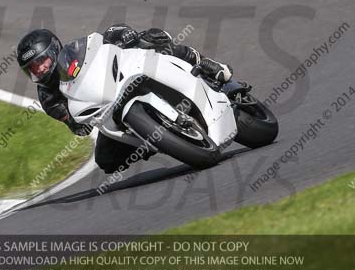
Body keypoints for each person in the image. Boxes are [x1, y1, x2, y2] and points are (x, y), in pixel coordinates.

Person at [16, 25, 233, 174]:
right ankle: (151, 139)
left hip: (125, 77)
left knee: (150, 39)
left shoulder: (75, 51)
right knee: (105, 161)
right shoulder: (48, 98)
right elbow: (76, 126)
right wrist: (75, 120)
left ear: (53, 50)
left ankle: (205, 64)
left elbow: (104, 41)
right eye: (33, 69)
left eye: (41, 61)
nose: (40, 69)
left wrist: (125, 36)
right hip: (109, 111)